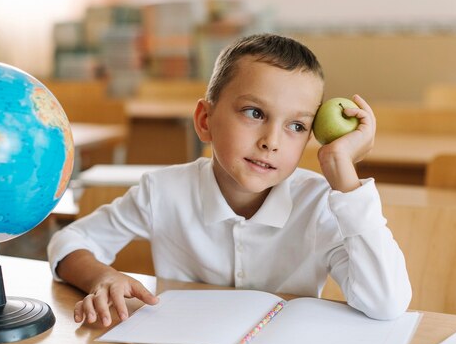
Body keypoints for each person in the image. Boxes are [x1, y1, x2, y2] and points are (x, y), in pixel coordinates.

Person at [48, 33, 412, 327]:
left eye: (296, 126)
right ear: (205, 120)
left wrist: (343, 173)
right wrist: (102, 277)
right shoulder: (163, 191)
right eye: (255, 113)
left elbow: (386, 302)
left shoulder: (321, 203)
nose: (272, 141)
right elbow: (68, 240)